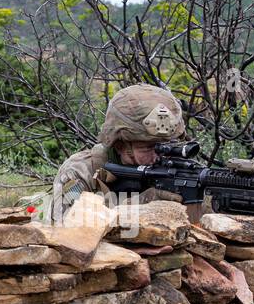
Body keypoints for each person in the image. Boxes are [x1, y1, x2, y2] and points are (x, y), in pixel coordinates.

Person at [51, 83, 187, 216]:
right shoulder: (81, 172)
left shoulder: (178, 173)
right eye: (148, 147)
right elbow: (65, 227)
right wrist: (145, 203)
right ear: (120, 145)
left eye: (168, 146)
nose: (159, 156)